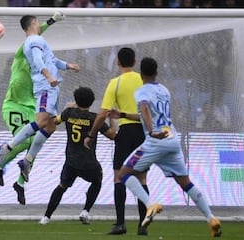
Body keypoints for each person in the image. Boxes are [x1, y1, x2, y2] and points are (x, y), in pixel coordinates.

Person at [117, 57, 222, 237]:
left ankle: (150, 204)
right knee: (185, 183)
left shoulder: (141, 91)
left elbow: (145, 109)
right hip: (172, 139)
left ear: (141, 74)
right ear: (156, 72)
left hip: (155, 140)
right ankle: (211, 218)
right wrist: (122, 114)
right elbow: (149, 115)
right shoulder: (165, 91)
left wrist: (151, 132)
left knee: (124, 174)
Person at [0, 12, 65, 206]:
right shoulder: (24, 48)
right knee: (25, 142)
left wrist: (53, 21)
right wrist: (52, 21)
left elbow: (38, 32)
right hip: (14, 104)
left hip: (31, 103)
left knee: (37, 139)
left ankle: (20, 184)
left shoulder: (39, 49)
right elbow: (35, 32)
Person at [0, 15, 79, 183]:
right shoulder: (33, 40)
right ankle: (8, 147)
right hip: (45, 85)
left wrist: (67, 66)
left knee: (50, 126)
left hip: (52, 87)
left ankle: (27, 161)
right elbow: (38, 60)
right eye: (37, 22)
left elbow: (52, 60)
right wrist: (48, 76)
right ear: (33, 23)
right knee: (41, 122)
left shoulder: (38, 40)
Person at [84, 47, 148, 235]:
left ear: (118, 62)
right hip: (142, 133)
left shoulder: (115, 83)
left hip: (126, 132)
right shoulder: (143, 81)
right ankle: (143, 225)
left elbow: (103, 112)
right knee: (142, 178)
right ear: (135, 61)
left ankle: (120, 223)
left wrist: (91, 134)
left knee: (119, 177)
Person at [39, 87, 116, 225]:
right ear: (92, 102)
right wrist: (112, 120)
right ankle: (85, 211)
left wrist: (71, 108)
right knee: (97, 180)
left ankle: (46, 217)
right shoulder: (95, 119)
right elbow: (112, 136)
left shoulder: (69, 113)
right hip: (88, 162)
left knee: (62, 186)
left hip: (71, 161)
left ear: (76, 100)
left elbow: (55, 121)